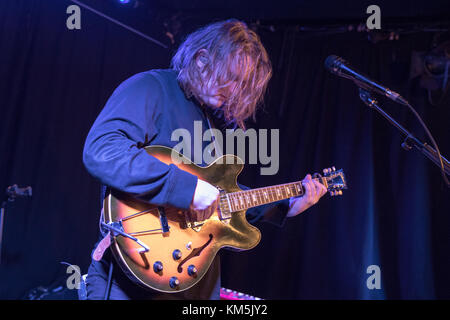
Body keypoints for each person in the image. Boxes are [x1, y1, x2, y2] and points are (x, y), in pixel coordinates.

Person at [82, 19, 327, 300]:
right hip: (132, 277)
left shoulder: (209, 122)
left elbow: (221, 198)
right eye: (231, 77)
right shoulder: (151, 88)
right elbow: (103, 150)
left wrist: (286, 204)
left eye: (242, 84)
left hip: (194, 281)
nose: (235, 91)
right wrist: (188, 189)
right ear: (201, 60)